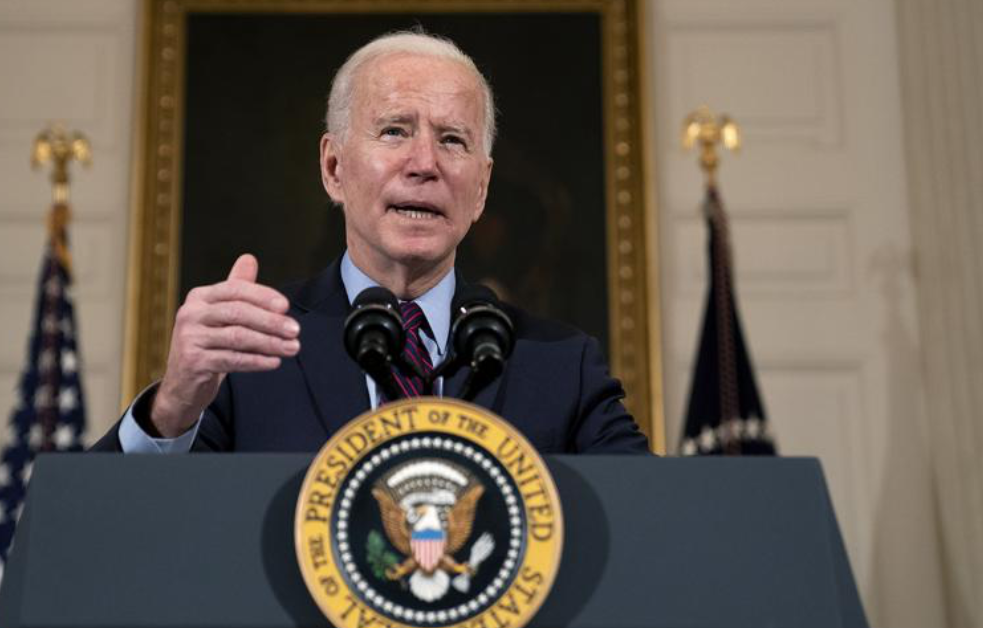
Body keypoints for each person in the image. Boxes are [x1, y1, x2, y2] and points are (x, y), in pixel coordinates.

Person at [93, 31, 649, 455]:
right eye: (394, 131)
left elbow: (659, 523)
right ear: (333, 168)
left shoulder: (561, 367)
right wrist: (170, 410)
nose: (425, 164)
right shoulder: (248, 355)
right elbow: (102, 537)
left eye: (452, 140)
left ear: (480, 189)